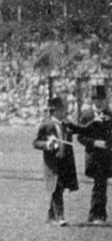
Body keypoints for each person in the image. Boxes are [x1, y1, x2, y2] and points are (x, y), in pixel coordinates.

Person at [33, 96, 78, 226]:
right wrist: (47, 144)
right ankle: (60, 217)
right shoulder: (46, 125)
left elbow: (80, 129)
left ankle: (51, 216)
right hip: (52, 163)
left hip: (65, 162)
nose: (66, 112)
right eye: (64, 109)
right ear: (57, 111)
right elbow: (36, 142)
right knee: (57, 188)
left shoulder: (65, 124)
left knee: (59, 189)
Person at [73, 102, 111, 225]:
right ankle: (96, 214)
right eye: (98, 99)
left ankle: (100, 215)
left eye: (102, 99)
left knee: (102, 185)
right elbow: (80, 137)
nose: (101, 102)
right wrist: (95, 143)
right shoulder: (87, 115)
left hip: (106, 156)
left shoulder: (109, 114)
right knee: (99, 184)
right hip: (93, 156)